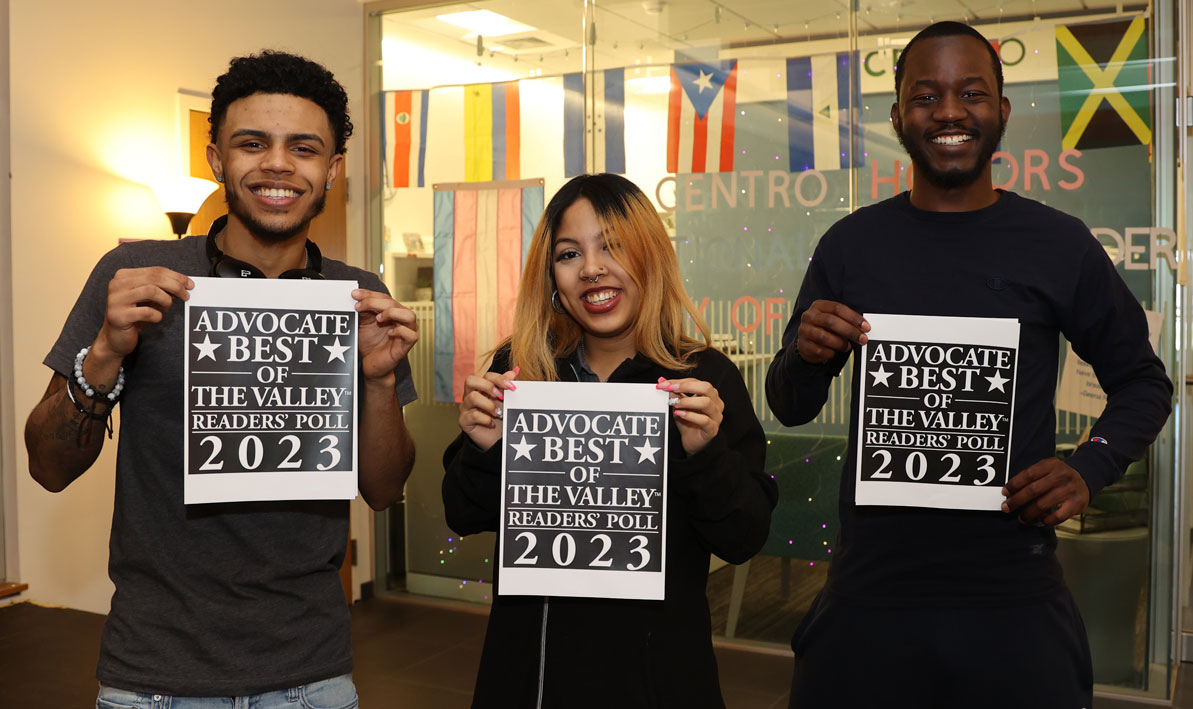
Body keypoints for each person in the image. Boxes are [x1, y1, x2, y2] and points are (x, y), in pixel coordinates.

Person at [765, 21, 1172, 709]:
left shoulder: (1058, 244)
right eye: (925, 96)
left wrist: (1089, 464)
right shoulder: (850, 244)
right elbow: (789, 402)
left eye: (970, 93)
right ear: (896, 117)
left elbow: (1142, 381)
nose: (949, 111)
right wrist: (804, 355)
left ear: (1001, 112)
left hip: (1010, 598)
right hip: (869, 599)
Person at [24, 51, 418, 707]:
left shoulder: (358, 295)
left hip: (310, 671)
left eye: (304, 147)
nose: (278, 164)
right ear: (215, 159)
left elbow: (382, 490)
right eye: (251, 143)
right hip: (152, 674)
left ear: (332, 170)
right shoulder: (137, 275)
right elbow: (47, 465)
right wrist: (103, 354)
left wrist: (376, 383)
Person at [441, 173, 778, 707]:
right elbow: (463, 513)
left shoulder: (701, 377)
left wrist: (704, 454)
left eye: (613, 246)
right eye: (569, 253)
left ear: (650, 256)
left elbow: (743, 537)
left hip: (658, 677)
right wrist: (483, 448)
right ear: (551, 276)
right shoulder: (524, 370)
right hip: (534, 675)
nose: (592, 267)